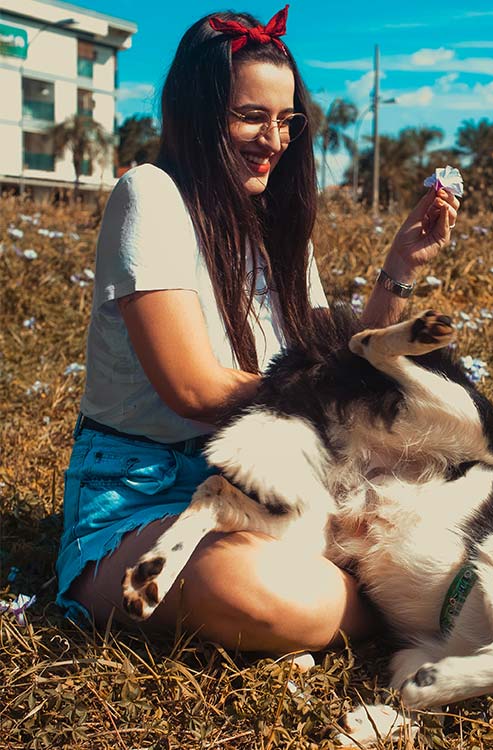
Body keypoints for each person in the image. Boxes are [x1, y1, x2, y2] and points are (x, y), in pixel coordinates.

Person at [56, 7, 459, 654]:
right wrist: (337, 402)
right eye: (251, 115)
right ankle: (411, 611)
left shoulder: (274, 228)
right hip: (143, 498)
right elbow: (194, 391)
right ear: (199, 111)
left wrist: (400, 265)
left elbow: (335, 356)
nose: (273, 138)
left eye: (286, 119)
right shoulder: (150, 196)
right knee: (270, 593)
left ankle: (411, 595)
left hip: (271, 485)